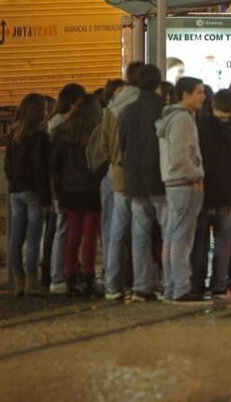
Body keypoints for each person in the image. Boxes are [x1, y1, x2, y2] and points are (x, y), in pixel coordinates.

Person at [115, 64, 168, 302]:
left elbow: (122, 142)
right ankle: (169, 282)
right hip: (160, 179)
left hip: (134, 180)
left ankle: (142, 285)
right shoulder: (165, 110)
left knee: (140, 234)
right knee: (168, 233)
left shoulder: (128, 111)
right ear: (158, 83)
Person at [93, 62, 142, 301]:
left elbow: (103, 146)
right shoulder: (141, 102)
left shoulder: (112, 107)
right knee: (141, 230)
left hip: (116, 171)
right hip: (138, 174)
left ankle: (113, 285)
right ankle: (140, 282)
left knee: (116, 231)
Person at [156, 76, 206, 303]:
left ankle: (171, 286)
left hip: (174, 183)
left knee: (172, 235)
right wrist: (194, 174)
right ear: (185, 95)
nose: (203, 97)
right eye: (199, 92)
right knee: (182, 238)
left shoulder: (172, 118)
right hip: (184, 184)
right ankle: (181, 288)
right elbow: (180, 155)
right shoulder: (182, 119)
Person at [192, 90, 231, 297]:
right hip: (229, 194)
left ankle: (197, 283)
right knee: (223, 240)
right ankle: (219, 284)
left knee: (200, 240)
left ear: (213, 104)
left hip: (204, 192)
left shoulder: (201, 129)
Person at [50, 93, 105, 297]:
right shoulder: (96, 132)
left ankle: (70, 277)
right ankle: (89, 278)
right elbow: (101, 161)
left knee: (73, 235)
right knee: (90, 236)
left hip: (69, 190)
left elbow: (55, 165)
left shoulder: (62, 133)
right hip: (92, 190)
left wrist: (58, 190)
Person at [5, 93, 51, 296]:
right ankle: (32, 281)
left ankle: (19, 281)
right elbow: (41, 168)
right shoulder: (40, 138)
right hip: (33, 190)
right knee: (33, 236)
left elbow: (7, 165)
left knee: (16, 237)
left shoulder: (13, 136)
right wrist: (46, 196)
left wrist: (13, 183)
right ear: (38, 113)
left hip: (16, 191)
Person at [42, 83, 86, 293]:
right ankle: (57, 276)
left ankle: (59, 274)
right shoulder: (62, 125)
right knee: (63, 229)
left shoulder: (57, 123)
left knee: (63, 230)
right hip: (63, 185)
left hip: (62, 184)